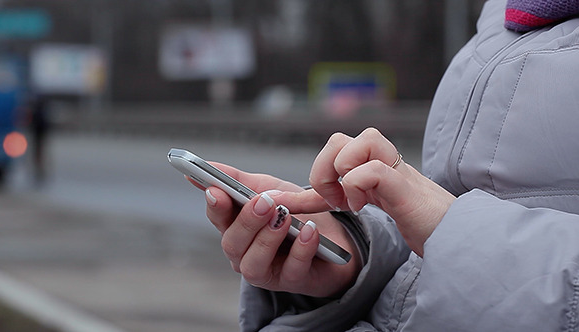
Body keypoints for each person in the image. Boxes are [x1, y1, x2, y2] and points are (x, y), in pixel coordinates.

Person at [193, 0, 579, 330]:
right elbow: (452, 219)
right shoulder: (504, 14)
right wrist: (357, 250)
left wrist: (449, 229)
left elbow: (451, 222)